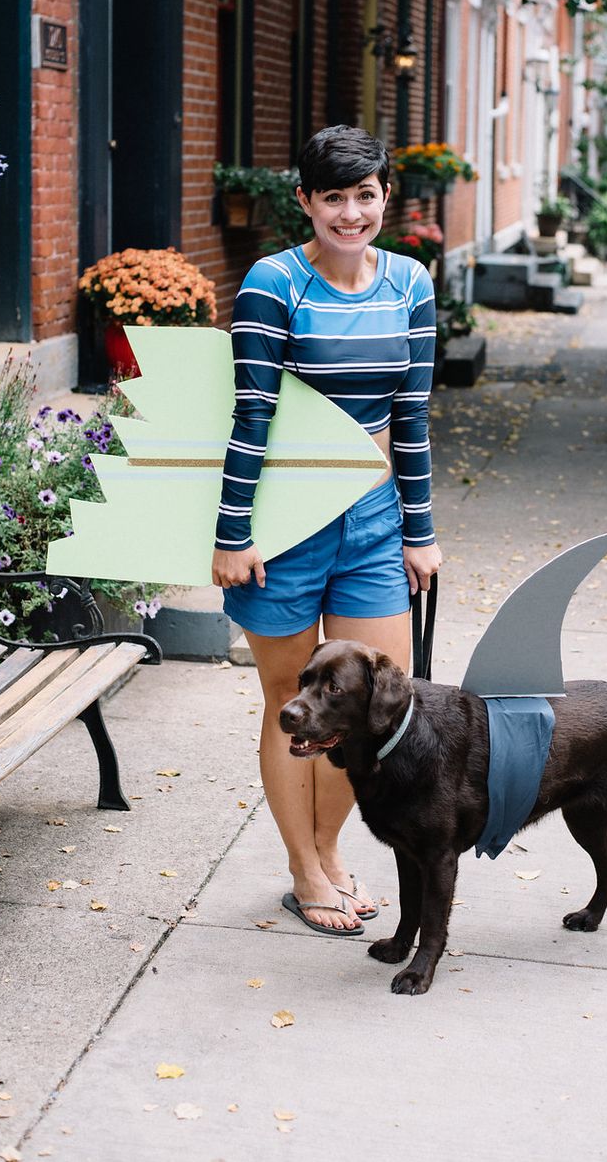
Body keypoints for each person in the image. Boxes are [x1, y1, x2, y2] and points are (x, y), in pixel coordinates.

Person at [211, 125, 442, 934]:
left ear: (386, 197)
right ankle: (305, 870)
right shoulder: (274, 283)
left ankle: (333, 850)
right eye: (333, 197)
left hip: (375, 526)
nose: (350, 213)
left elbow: (410, 417)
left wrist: (420, 530)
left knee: (374, 707)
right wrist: (233, 532)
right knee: (288, 700)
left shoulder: (410, 283)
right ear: (304, 200)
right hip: (281, 532)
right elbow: (253, 414)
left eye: (365, 195)